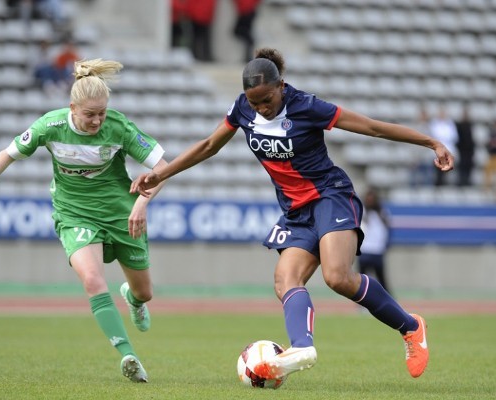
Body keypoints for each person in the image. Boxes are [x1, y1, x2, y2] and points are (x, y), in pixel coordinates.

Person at [131, 48, 454, 380]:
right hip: (295, 211)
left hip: (330, 196)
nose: (261, 108)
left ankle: (412, 327)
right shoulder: (242, 109)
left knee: (337, 277)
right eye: (254, 102)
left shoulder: (307, 107)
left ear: (281, 86)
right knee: (285, 280)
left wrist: (431, 142)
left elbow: (371, 128)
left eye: (266, 100)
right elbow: (208, 146)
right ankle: (302, 347)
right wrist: (161, 174)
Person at [0, 58, 168, 383]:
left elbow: (162, 168)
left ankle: (132, 297)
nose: (97, 121)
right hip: (73, 212)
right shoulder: (50, 126)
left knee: (146, 293)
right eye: (90, 114)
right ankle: (127, 354)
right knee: (91, 280)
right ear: (72, 108)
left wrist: (142, 202)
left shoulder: (118, 127)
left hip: (121, 212)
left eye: (102, 113)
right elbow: (9, 152)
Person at [358, 188, 392, 295]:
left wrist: (386, 245)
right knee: (362, 281)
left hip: (377, 251)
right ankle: (362, 304)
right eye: (368, 199)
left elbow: (387, 229)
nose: (370, 201)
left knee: (382, 280)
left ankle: (389, 301)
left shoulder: (382, 213)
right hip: (364, 250)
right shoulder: (362, 212)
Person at [428, 107, 458, 187]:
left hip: (448, 149)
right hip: (436, 151)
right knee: (437, 169)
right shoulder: (434, 123)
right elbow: (433, 136)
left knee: (447, 169)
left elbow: (454, 137)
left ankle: (445, 185)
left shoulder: (450, 123)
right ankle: (437, 185)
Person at [455, 106, 475, 187]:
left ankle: (467, 182)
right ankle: (461, 182)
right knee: (461, 167)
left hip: (468, 151)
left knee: (468, 167)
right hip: (461, 150)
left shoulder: (470, 125)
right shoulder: (459, 126)